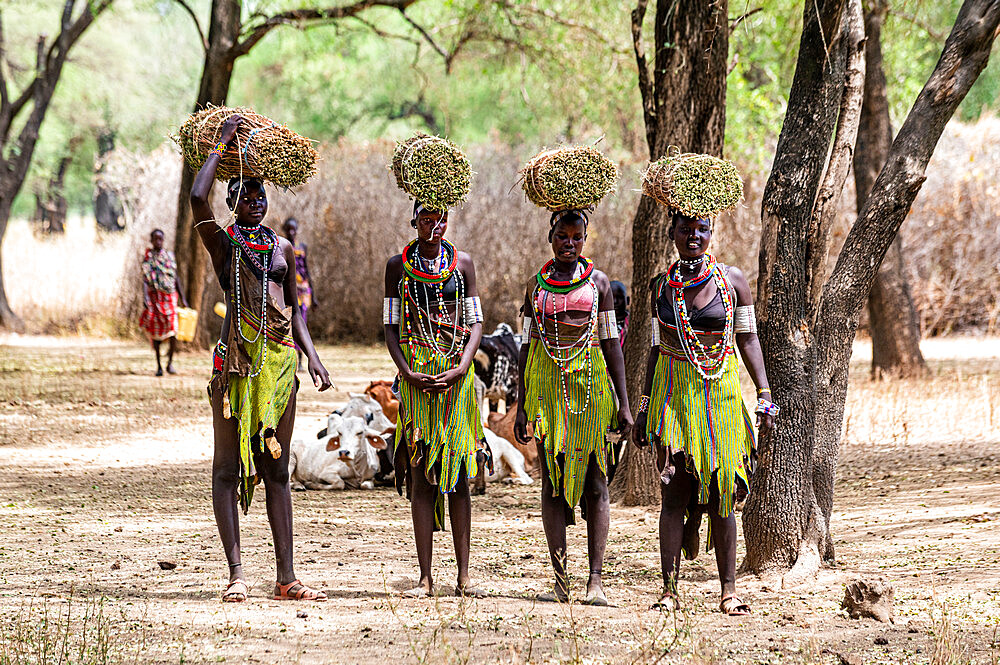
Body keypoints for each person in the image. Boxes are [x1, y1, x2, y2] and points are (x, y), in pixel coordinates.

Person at [190, 115, 333, 603]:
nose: (254, 201)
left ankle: (286, 578)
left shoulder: (283, 247)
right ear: (231, 202)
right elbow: (195, 198)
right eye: (244, 195)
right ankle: (235, 574)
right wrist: (222, 144)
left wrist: (313, 358)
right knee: (228, 468)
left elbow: (294, 312)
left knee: (277, 468)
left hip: (280, 365)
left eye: (260, 194)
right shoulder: (223, 242)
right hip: (237, 363)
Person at [633, 212, 777, 616]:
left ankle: (729, 592)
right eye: (684, 229)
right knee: (674, 495)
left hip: (721, 399)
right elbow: (657, 349)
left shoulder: (732, 282)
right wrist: (644, 409)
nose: (693, 236)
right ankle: (669, 590)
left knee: (723, 495)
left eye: (701, 229)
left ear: (711, 233)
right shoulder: (661, 287)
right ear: (672, 234)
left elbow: (748, 338)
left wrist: (764, 393)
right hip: (673, 399)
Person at [514, 209, 633, 606]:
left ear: (585, 238)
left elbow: (612, 344)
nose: (569, 243)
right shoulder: (535, 286)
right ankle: (560, 578)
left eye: (577, 236)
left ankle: (595, 581)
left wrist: (624, 401)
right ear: (551, 237)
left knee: (596, 481)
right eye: (562, 236)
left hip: (591, 392)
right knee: (551, 481)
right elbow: (527, 347)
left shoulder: (599, 284)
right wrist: (521, 406)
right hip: (546, 392)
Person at [384, 201, 489, 598]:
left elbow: (476, 320)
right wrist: (407, 372)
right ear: (413, 220)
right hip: (416, 377)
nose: (434, 224)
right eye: (426, 217)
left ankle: (464, 577)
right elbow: (391, 325)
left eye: (440, 217)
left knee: (459, 474)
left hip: (455, 377)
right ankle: (425, 578)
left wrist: (463, 366)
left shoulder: (463, 265)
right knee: (419, 473)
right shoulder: (398, 267)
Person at [139, 229, 188, 376]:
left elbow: (176, 277)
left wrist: (183, 297)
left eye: (160, 239)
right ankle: (159, 366)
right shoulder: (148, 259)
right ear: (151, 240)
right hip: (155, 298)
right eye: (155, 239)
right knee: (156, 333)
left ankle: (170, 363)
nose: (158, 242)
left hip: (170, 297)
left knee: (173, 331)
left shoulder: (169, 257)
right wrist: (146, 298)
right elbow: (145, 280)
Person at [280, 217, 317, 370]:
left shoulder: (303, 247)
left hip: (303, 292)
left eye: (293, 229)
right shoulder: (281, 245)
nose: (291, 232)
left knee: (301, 322)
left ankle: (301, 360)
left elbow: (306, 270)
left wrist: (313, 296)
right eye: (288, 229)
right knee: (288, 324)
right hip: (288, 290)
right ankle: (290, 359)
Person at [610, 279, 630, 351]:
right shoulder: (599, 323)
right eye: (611, 298)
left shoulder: (633, 322)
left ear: (627, 300)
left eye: (620, 297)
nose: (615, 302)